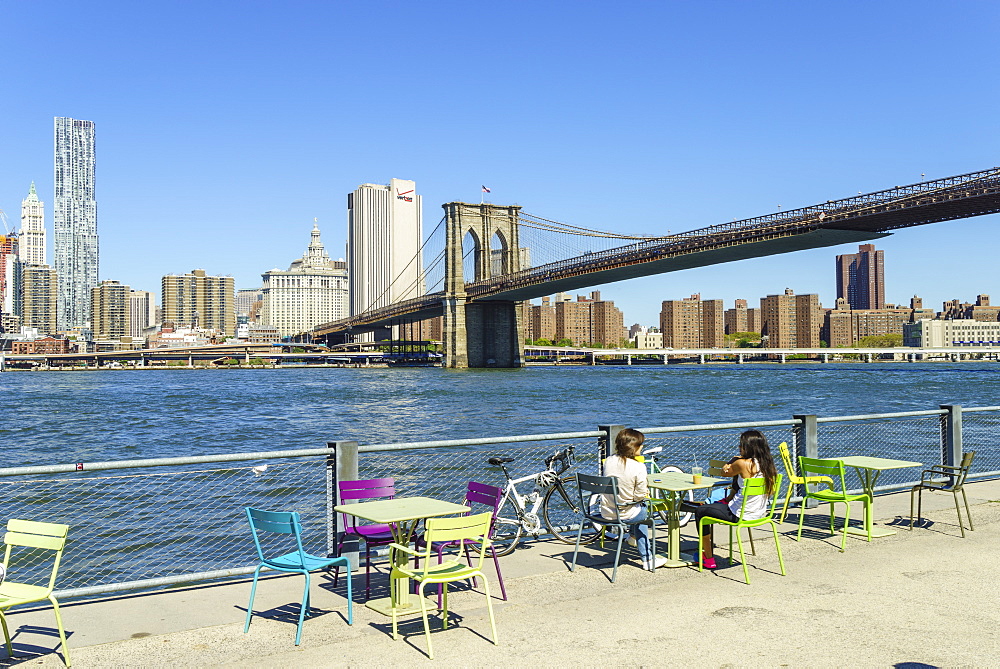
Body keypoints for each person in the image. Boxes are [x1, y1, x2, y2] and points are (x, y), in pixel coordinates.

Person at [691, 429, 778, 569]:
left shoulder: (742, 464)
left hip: (739, 514)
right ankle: (707, 555)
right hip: (759, 514)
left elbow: (723, 472)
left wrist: (731, 461)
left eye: (741, 445)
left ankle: (708, 558)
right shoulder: (767, 464)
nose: (739, 448)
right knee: (715, 506)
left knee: (700, 511)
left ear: (749, 447)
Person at [601, 428, 668, 570]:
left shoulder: (609, 461)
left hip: (606, 511)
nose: (642, 447)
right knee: (643, 513)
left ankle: (632, 537)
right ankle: (648, 559)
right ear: (632, 447)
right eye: (640, 444)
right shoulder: (639, 467)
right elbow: (639, 496)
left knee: (637, 510)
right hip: (624, 513)